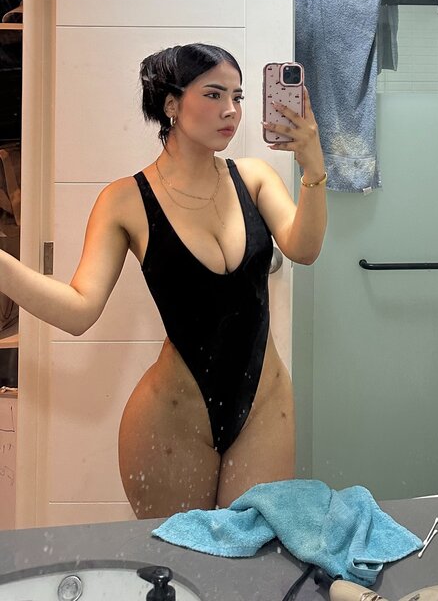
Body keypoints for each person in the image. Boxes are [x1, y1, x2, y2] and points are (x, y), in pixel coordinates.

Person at [0, 43, 327, 518]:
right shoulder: (124, 200)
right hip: (173, 418)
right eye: (213, 94)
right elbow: (78, 311)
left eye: (237, 96)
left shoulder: (253, 178)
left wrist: (314, 167)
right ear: (171, 104)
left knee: (255, 551)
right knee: (180, 559)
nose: (231, 110)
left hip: (265, 406)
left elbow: (305, 248)